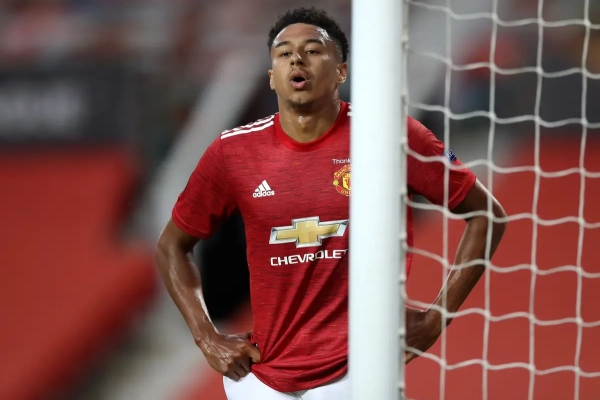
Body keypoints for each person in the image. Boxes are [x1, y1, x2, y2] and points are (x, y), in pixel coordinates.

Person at [155, 6, 507, 400]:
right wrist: (206, 337)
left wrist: (437, 318)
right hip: (261, 378)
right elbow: (172, 245)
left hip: (358, 371)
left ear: (341, 71)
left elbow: (487, 215)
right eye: (283, 53)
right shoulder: (232, 152)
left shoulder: (391, 135)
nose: (296, 59)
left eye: (312, 50)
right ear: (271, 76)